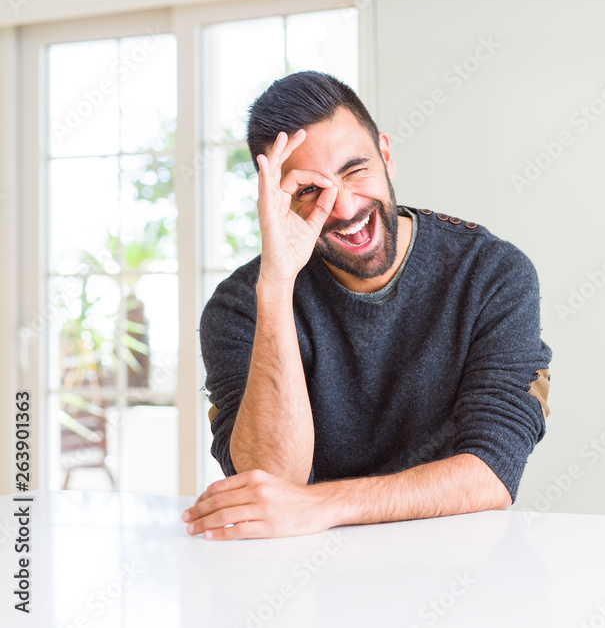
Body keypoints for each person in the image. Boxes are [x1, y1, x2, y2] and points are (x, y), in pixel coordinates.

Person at [182, 71, 552, 540]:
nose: (343, 207)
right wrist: (276, 284)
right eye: (307, 190)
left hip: (459, 563)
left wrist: (319, 505)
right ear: (274, 200)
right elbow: (271, 483)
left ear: (386, 155)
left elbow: (490, 473)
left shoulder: (492, 275)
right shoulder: (240, 307)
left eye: (355, 170)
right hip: (304, 576)